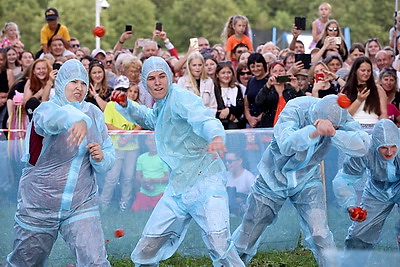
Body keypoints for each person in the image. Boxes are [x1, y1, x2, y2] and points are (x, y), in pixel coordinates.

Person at [111, 56, 244, 266]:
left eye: (162, 76)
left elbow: (204, 119)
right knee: (147, 247)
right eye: (152, 78)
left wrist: (216, 136)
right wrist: (127, 106)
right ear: (145, 82)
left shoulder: (181, 98)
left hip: (206, 181)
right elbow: (150, 119)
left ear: (170, 77)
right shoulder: (161, 105)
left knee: (219, 244)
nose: (157, 82)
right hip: (178, 189)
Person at [232, 94, 370, 266]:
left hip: (307, 180)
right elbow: (286, 144)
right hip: (272, 178)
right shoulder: (296, 108)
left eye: (336, 125)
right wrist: (314, 131)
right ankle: (229, 263)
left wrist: (335, 132)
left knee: (320, 232)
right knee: (250, 228)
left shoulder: (339, 114)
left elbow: (363, 144)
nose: (331, 129)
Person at [6, 59, 115, 266]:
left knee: (95, 261)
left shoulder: (94, 114)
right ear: (62, 82)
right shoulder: (46, 109)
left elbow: (109, 155)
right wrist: (77, 119)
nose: (79, 87)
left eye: (83, 83)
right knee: (25, 262)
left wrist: (101, 157)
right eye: (73, 82)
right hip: (38, 206)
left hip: (80, 204)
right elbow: (51, 120)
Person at [332, 119, 400, 266]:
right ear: (375, 144)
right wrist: (350, 205)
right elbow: (344, 178)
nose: (389, 152)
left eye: (393, 147)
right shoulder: (363, 149)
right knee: (359, 234)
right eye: (383, 148)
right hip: (377, 190)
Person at [100, 76, 141, 212]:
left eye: (127, 90)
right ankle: (104, 204)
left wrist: (127, 137)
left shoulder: (136, 106)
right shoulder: (111, 105)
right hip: (116, 147)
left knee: (128, 177)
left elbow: (140, 123)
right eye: (122, 90)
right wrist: (122, 133)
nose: (125, 93)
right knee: (112, 177)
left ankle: (124, 204)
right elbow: (106, 124)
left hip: (131, 148)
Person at [341, 56, 388, 127]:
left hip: (374, 126)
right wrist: (359, 100)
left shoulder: (378, 89)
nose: (366, 73)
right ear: (355, 71)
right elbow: (345, 115)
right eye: (363, 70)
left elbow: (383, 113)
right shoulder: (346, 90)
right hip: (353, 126)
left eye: (369, 71)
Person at [255, 61, 304, 127]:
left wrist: (297, 88)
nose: (278, 73)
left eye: (281, 71)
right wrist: (267, 86)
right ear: (270, 74)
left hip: (289, 127)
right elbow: (258, 102)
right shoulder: (267, 89)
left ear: (285, 73)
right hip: (269, 127)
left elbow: (303, 105)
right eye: (275, 71)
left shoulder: (291, 89)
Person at [131, 134, 168, 212]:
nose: (153, 143)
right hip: (145, 192)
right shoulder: (141, 158)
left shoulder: (163, 158)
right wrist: (143, 181)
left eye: (155, 140)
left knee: (162, 211)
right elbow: (138, 175)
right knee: (135, 210)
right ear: (146, 142)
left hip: (160, 193)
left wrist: (153, 180)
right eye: (150, 140)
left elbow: (168, 178)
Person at [214, 61, 245, 129]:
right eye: (223, 73)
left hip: (236, 125)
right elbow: (216, 109)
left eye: (229, 72)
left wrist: (229, 110)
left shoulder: (236, 88)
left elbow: (240, 107)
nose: (226, 75)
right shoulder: (214, 89)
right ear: (217, 74)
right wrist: (228, 116)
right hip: (219, 126)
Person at [225, 151, 255, 217]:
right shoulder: (225, 176)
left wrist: (243, 202)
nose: (227, 163)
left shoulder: (249, 177)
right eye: (226, 161)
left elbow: (255, 197)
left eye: (230, 161)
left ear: (239, 161)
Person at [244, 53, 268, 128]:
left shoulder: (269, 81)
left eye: (258, 66)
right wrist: (249, 118)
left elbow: (272, 104)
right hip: (251, 122)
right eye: (252, 67)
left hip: (265, 121)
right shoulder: (251, 81)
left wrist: (258, 119)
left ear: (264, 65)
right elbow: (246, 103)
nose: (256, 69)